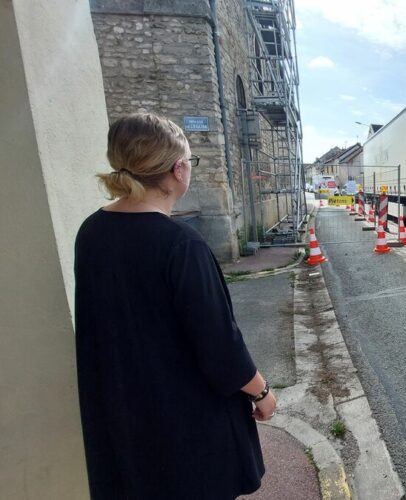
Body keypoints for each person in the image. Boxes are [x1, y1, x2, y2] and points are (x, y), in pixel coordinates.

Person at [74, 113, 277, 499]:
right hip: (183, 424)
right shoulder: (180, 244)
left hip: (120, 415)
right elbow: (219, 342)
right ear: (177, 170)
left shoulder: (91, 231)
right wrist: (261, 391)